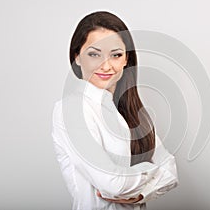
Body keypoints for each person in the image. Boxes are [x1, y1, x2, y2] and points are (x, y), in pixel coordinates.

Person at [52, 11, 178, 210]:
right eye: (94, 54)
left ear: (126, 59)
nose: (106, 65)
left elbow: (171, 173)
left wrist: (139, 195)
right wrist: (154, 173)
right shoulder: (70, 111)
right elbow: (113, 184)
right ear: (77, 57)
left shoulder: (131, 111)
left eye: (116, 55)